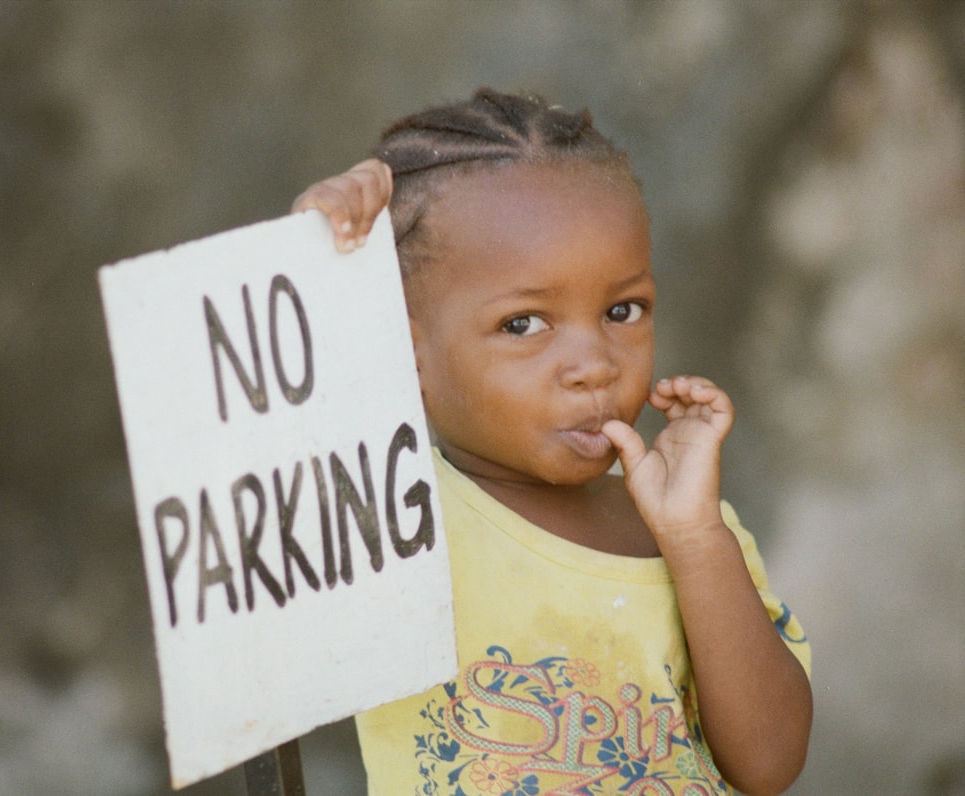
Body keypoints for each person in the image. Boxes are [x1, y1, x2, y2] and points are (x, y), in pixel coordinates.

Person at [292, 88, 812, 796]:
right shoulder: (397, 524)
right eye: (523, 324)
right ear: (400, 347)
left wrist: (694, 540)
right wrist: (310, 270)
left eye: (622, 311)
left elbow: (771, 762)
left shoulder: (687, 529)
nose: (594, 363)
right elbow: (271, 481)